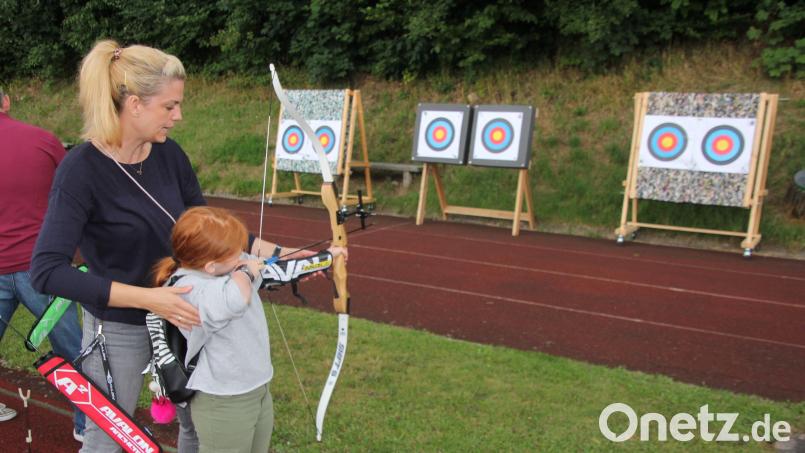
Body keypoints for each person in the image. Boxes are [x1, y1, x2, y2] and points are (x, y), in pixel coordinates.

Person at [30, 40, 328, 453]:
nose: (178, 115)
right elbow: (46, 271)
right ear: (134, 104)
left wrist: (290, 257)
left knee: (194, 429)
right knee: (107, 439)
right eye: (169, 106)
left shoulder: (169, 155)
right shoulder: (80, 171)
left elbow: (211, 236)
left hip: (185, 320)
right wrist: (152, 300)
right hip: (119, 328)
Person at [153, 207, 340, 452]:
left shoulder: (228, 269)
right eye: (233, 252)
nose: (242, 254)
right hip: (222, 400)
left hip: (256, 388)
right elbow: (233, 300)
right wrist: (244, 270)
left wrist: (326, 258)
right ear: (210, 265)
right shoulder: (187, 288)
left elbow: (276, 271)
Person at [0, 86, 85, 440]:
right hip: (45, 269)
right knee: (74, 352)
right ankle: (88, 426)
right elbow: (76, 192)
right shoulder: (43, 140)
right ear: (6, 100)